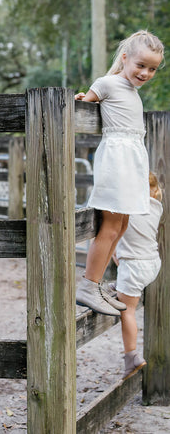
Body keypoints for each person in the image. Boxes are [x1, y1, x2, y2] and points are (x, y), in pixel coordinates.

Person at [75, 30, 164, 316]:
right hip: (117, 161)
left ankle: (99, 283)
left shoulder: (132, 91)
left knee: (123, 226)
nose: (146, 73)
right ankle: (89, 285)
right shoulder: (109, 83)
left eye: (152, 69)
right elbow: (85, 102)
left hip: (133, 161)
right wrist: (82, 98)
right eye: (141, 65)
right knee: (111, 226)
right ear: (125, 58)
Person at [112, 172, 163, 379]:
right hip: (152, 263)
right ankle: (119, 287)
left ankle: (131, 356)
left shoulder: (127, 209)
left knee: (128, 311)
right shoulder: (156, 207)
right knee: (127, 296)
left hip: (134, 267)